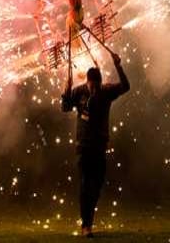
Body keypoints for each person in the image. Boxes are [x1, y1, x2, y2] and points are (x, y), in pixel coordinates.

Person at [61, 51, 130, 237]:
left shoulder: (106, 91)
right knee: (85, 185)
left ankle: (88, 219)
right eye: (91, 86)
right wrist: (65, 92)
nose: (93, 89)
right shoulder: (79, 92)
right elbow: (65, 107)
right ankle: (86, 226)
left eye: (96, 86)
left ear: (100, 83)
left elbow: (125, 86)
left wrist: (118, 65)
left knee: (97, 185)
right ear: (87, 82)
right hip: (84, 147)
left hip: (99, 147)